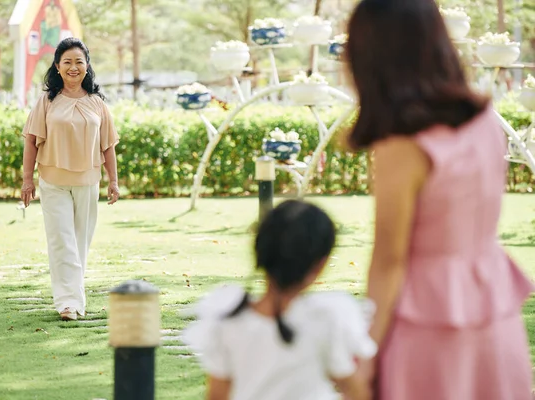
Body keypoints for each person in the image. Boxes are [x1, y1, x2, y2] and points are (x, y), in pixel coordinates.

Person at [344, 0, 534, 399]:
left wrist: (365, 356)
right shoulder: (484, 121)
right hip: (494, 313)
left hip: (427, 323)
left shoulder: (403, 145)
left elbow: (389, 261)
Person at [183, 200, 376, 400]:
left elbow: (217, 395)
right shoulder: (327, 318)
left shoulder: (226, 319)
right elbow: (355, 391)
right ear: (321, 264)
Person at [21, 37, 119, 321]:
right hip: (53, 181)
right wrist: (27, 180)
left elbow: (108, 146)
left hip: (88, 182)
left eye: (79, 61)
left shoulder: (98, 103)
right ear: (57, 66)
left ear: (87, 66)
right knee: (62, 241)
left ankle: (73, 297)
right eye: (67, 62)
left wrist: (113, 181)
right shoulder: (47, 101)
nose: (74, 67)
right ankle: (69, 303)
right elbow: (30, 141)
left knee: (79, 243)